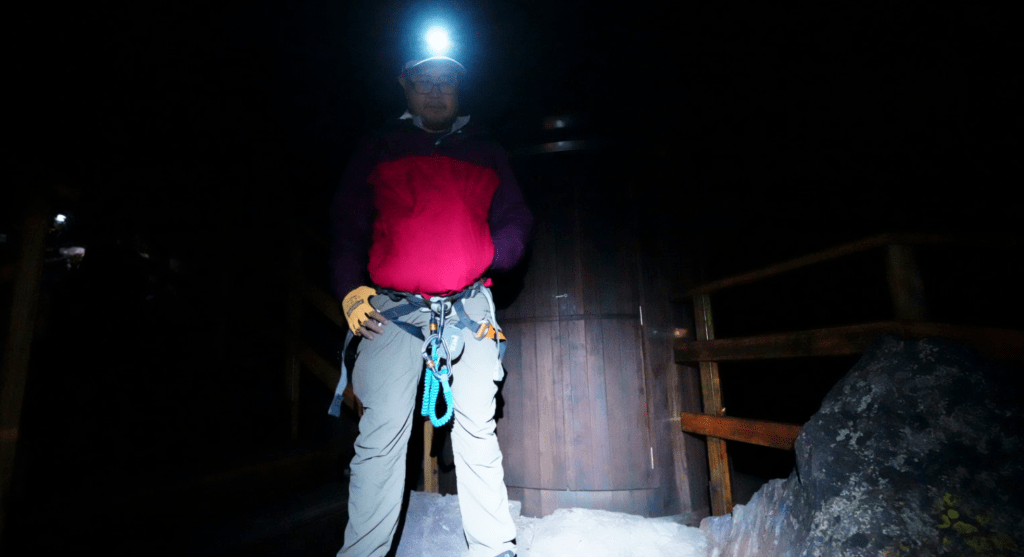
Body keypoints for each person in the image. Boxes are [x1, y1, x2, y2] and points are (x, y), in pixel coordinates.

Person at [327, 54, 532, 557]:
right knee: (379, 437)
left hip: (468, 307)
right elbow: (347, 224)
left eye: (446, 82)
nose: (436, 91)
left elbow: (516, 218)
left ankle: (494, 546)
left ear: (460, 87)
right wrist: (350, 289)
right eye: (425, 81)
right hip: (392, 311)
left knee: (477, 429)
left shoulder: (487, 149)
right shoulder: (379, 145)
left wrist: (490, 254)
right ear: (405, 85)